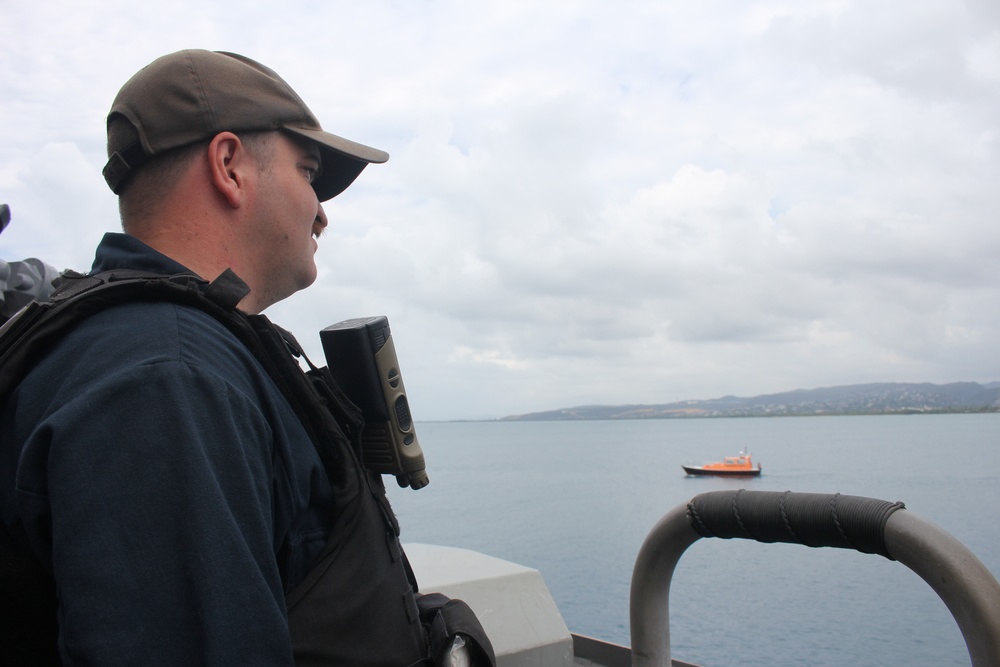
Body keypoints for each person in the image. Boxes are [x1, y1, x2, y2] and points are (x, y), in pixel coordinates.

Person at [0, 50, 492, 666]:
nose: (322, 212)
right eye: (309, 172)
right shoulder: (169, 383)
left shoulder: (181, 353)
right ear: (229, 165)